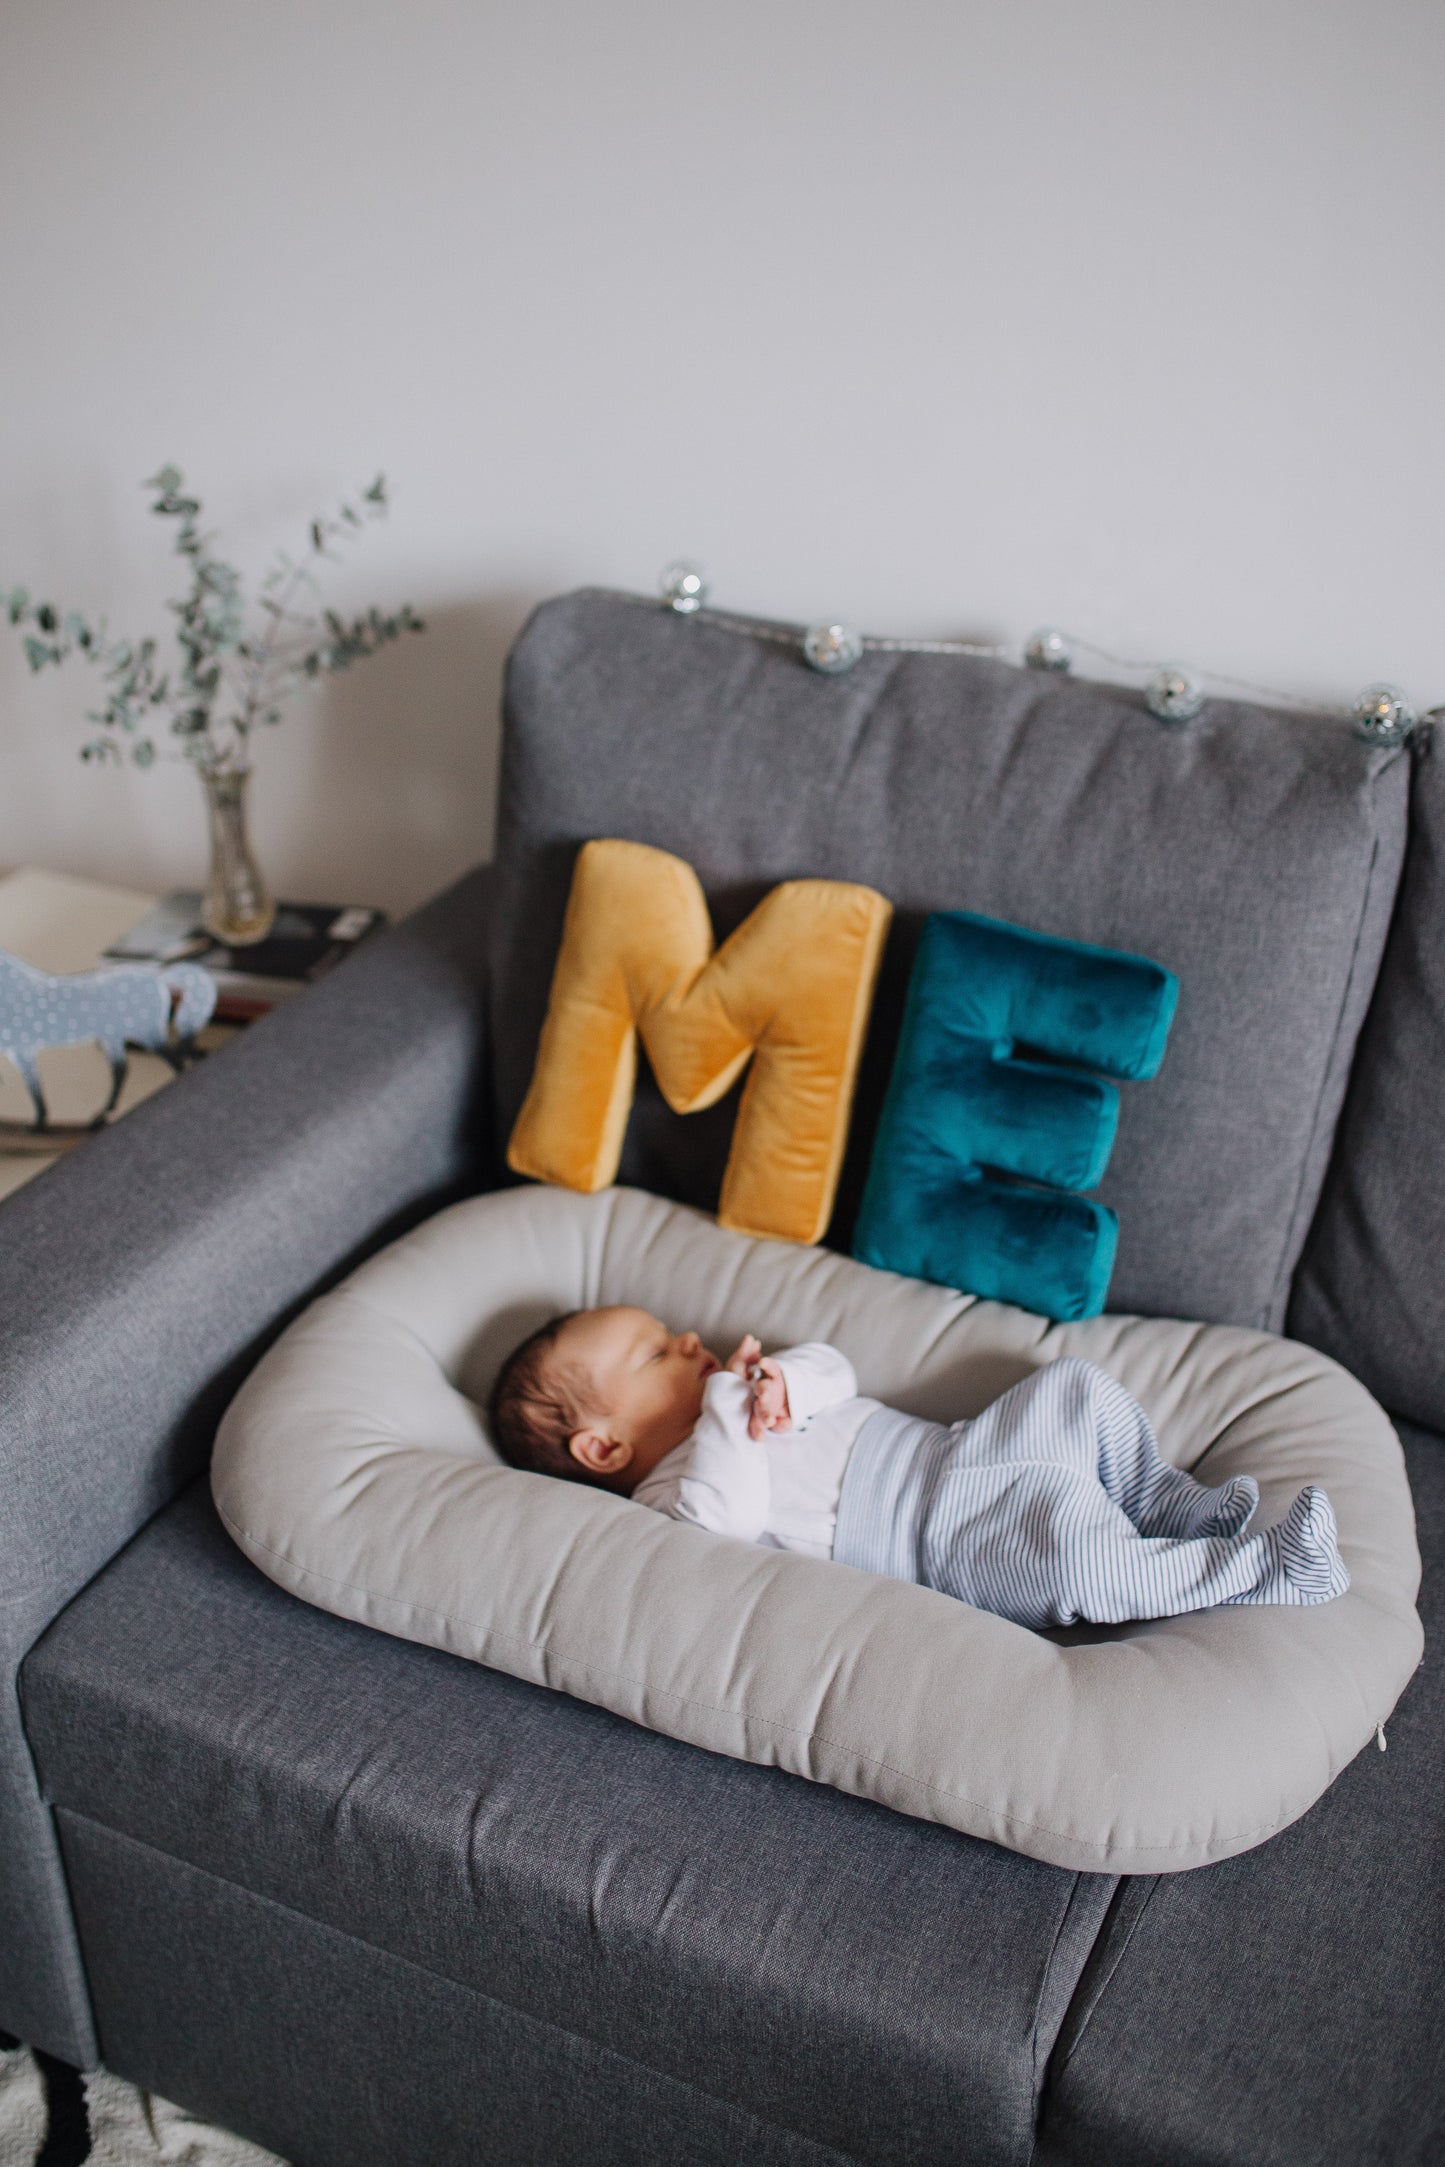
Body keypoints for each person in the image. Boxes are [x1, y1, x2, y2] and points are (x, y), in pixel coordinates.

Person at [486, 1306, 1349, 1631]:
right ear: (604, 1447)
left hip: (959, 1450)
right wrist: (724, 1406)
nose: (683, 1339)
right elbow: (726, 1520)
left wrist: (788, 1377)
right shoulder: (678, 1486)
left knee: (1077, 1387)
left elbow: (838, 1370)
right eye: (652, 1353)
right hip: (946, 1543)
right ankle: (1258, 1569)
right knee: (1080, 1560)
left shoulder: (757, 1391)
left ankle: (1173, 1507)